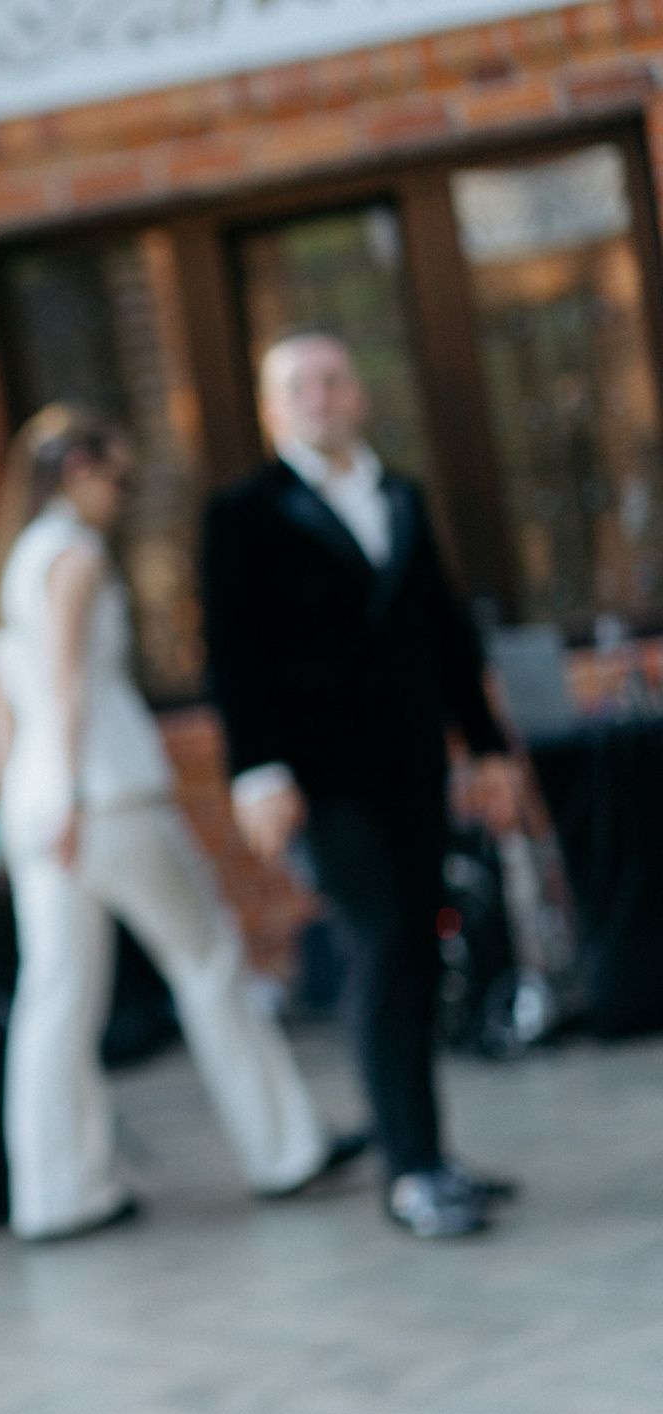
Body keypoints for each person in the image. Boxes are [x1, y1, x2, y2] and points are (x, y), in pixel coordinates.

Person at [0, 403, 357, 1241]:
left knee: (57, 998)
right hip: (104, 796)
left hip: (41, 806)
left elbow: (2, 700)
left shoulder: (11, 564)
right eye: (119, 475)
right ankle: (284, 1149)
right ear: (78, 469)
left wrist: (15, 805)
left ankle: (56, 1192)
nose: (124, 494)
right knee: (212, 959)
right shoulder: (72, 555)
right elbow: (68, 685)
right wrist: (73, 792)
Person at [200, 331, 523, 1238]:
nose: (317, 397)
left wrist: (487, 748)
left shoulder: (400, 495)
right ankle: (410, 1173)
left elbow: (446, 634)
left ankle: (430, 1150)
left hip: (414, 766)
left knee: (421, 951)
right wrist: (257, 771)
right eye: (296, 385)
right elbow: (234, 656)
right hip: (321, 780)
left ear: (358, 396)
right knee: (381, 948)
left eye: (332, 380)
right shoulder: (244, 512)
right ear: (271, 409)